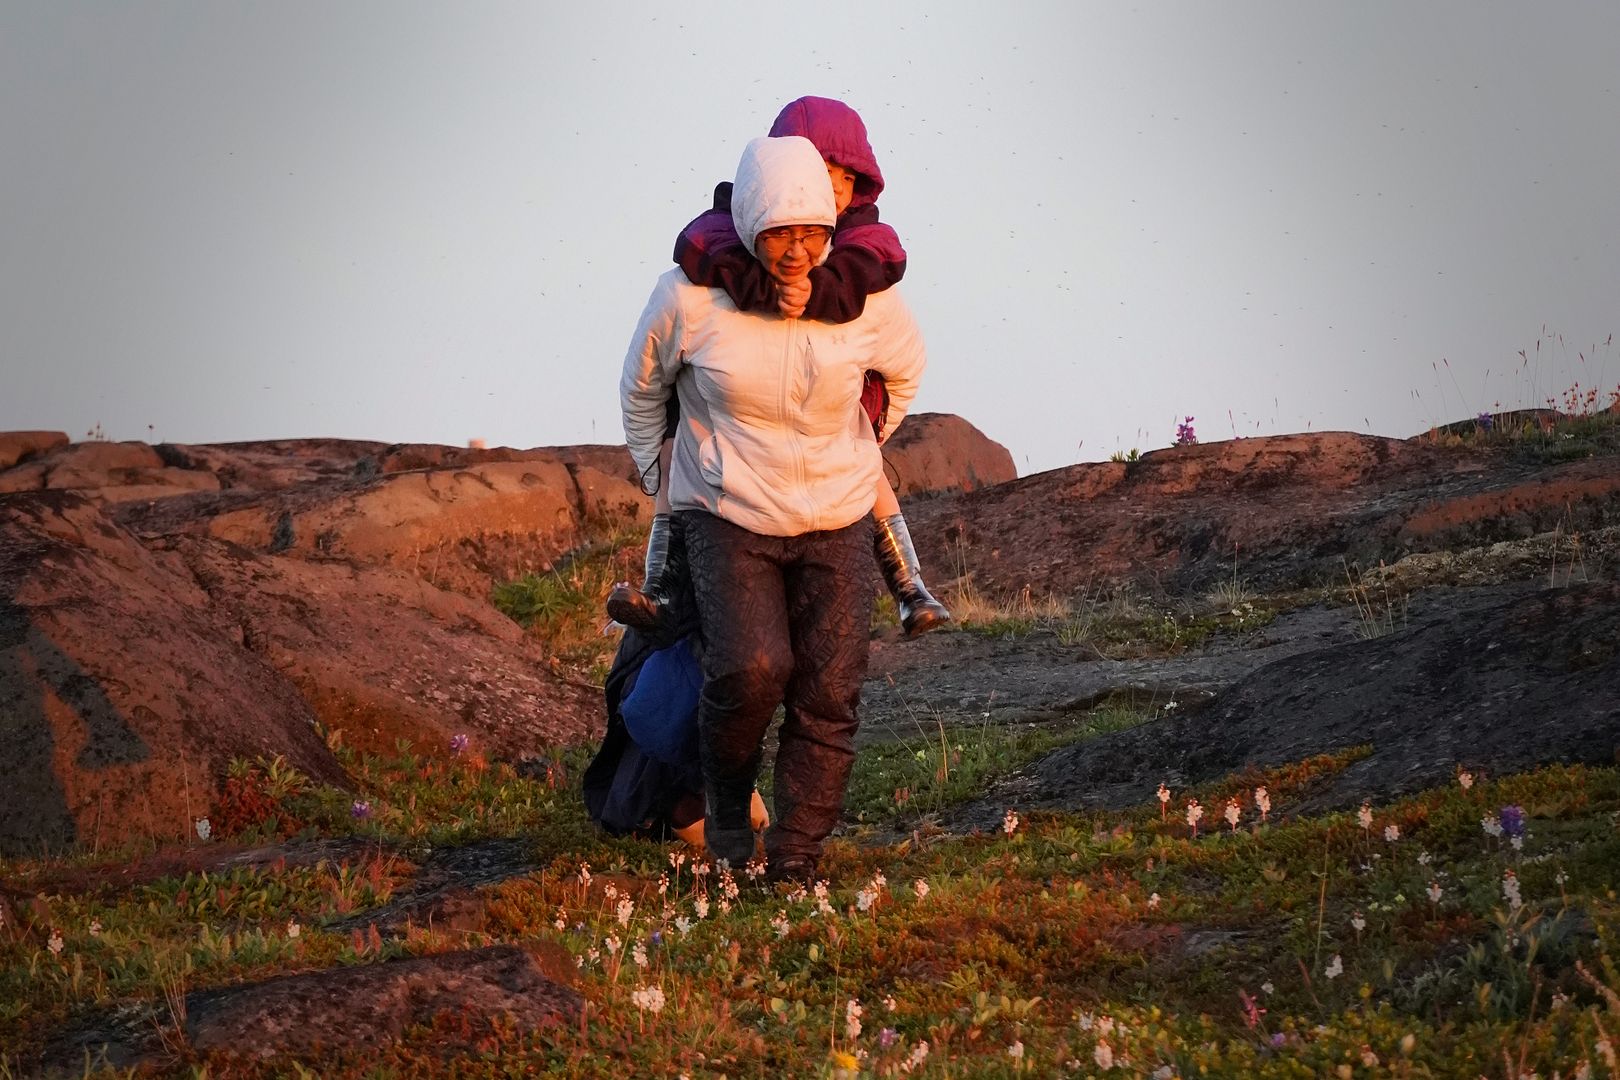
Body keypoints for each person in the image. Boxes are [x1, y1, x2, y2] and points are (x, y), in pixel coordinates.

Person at [620, 134, 927, 881]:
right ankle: (727, 809)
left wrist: (857, 445)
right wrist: (658, 471)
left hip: (838, 516)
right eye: (781, 234)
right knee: (750, 670)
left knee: (830, 689)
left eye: (813, 233)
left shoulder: (865, 298)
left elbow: (905, 372)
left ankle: (796, 856)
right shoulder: (689, 297)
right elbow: (642, 384)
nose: (798, 251)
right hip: (729, 515)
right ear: (751, 222)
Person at [608, 96, 949, 639]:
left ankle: (909, 584)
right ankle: (661, 586)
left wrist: (864, 430)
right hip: (726, 419)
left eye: (848, 179)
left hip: (829, 404)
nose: (836, 190)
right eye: (824, 173)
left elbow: (881, 278)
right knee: (676, 457)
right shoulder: (727, 228)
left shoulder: (862, 234)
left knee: (869, 468)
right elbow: (703, 250)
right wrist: (762, 291)